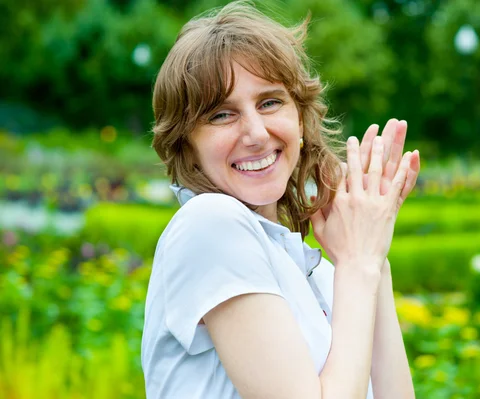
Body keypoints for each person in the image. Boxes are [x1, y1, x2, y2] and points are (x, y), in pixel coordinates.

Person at [141, 2, 420, 398]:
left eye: (270, 102)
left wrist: (373, 259)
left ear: (300, 119)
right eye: (222, 114)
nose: (255, 133)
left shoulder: (320, 273)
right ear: (187, 143)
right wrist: (359, 266)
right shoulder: (209, 224)